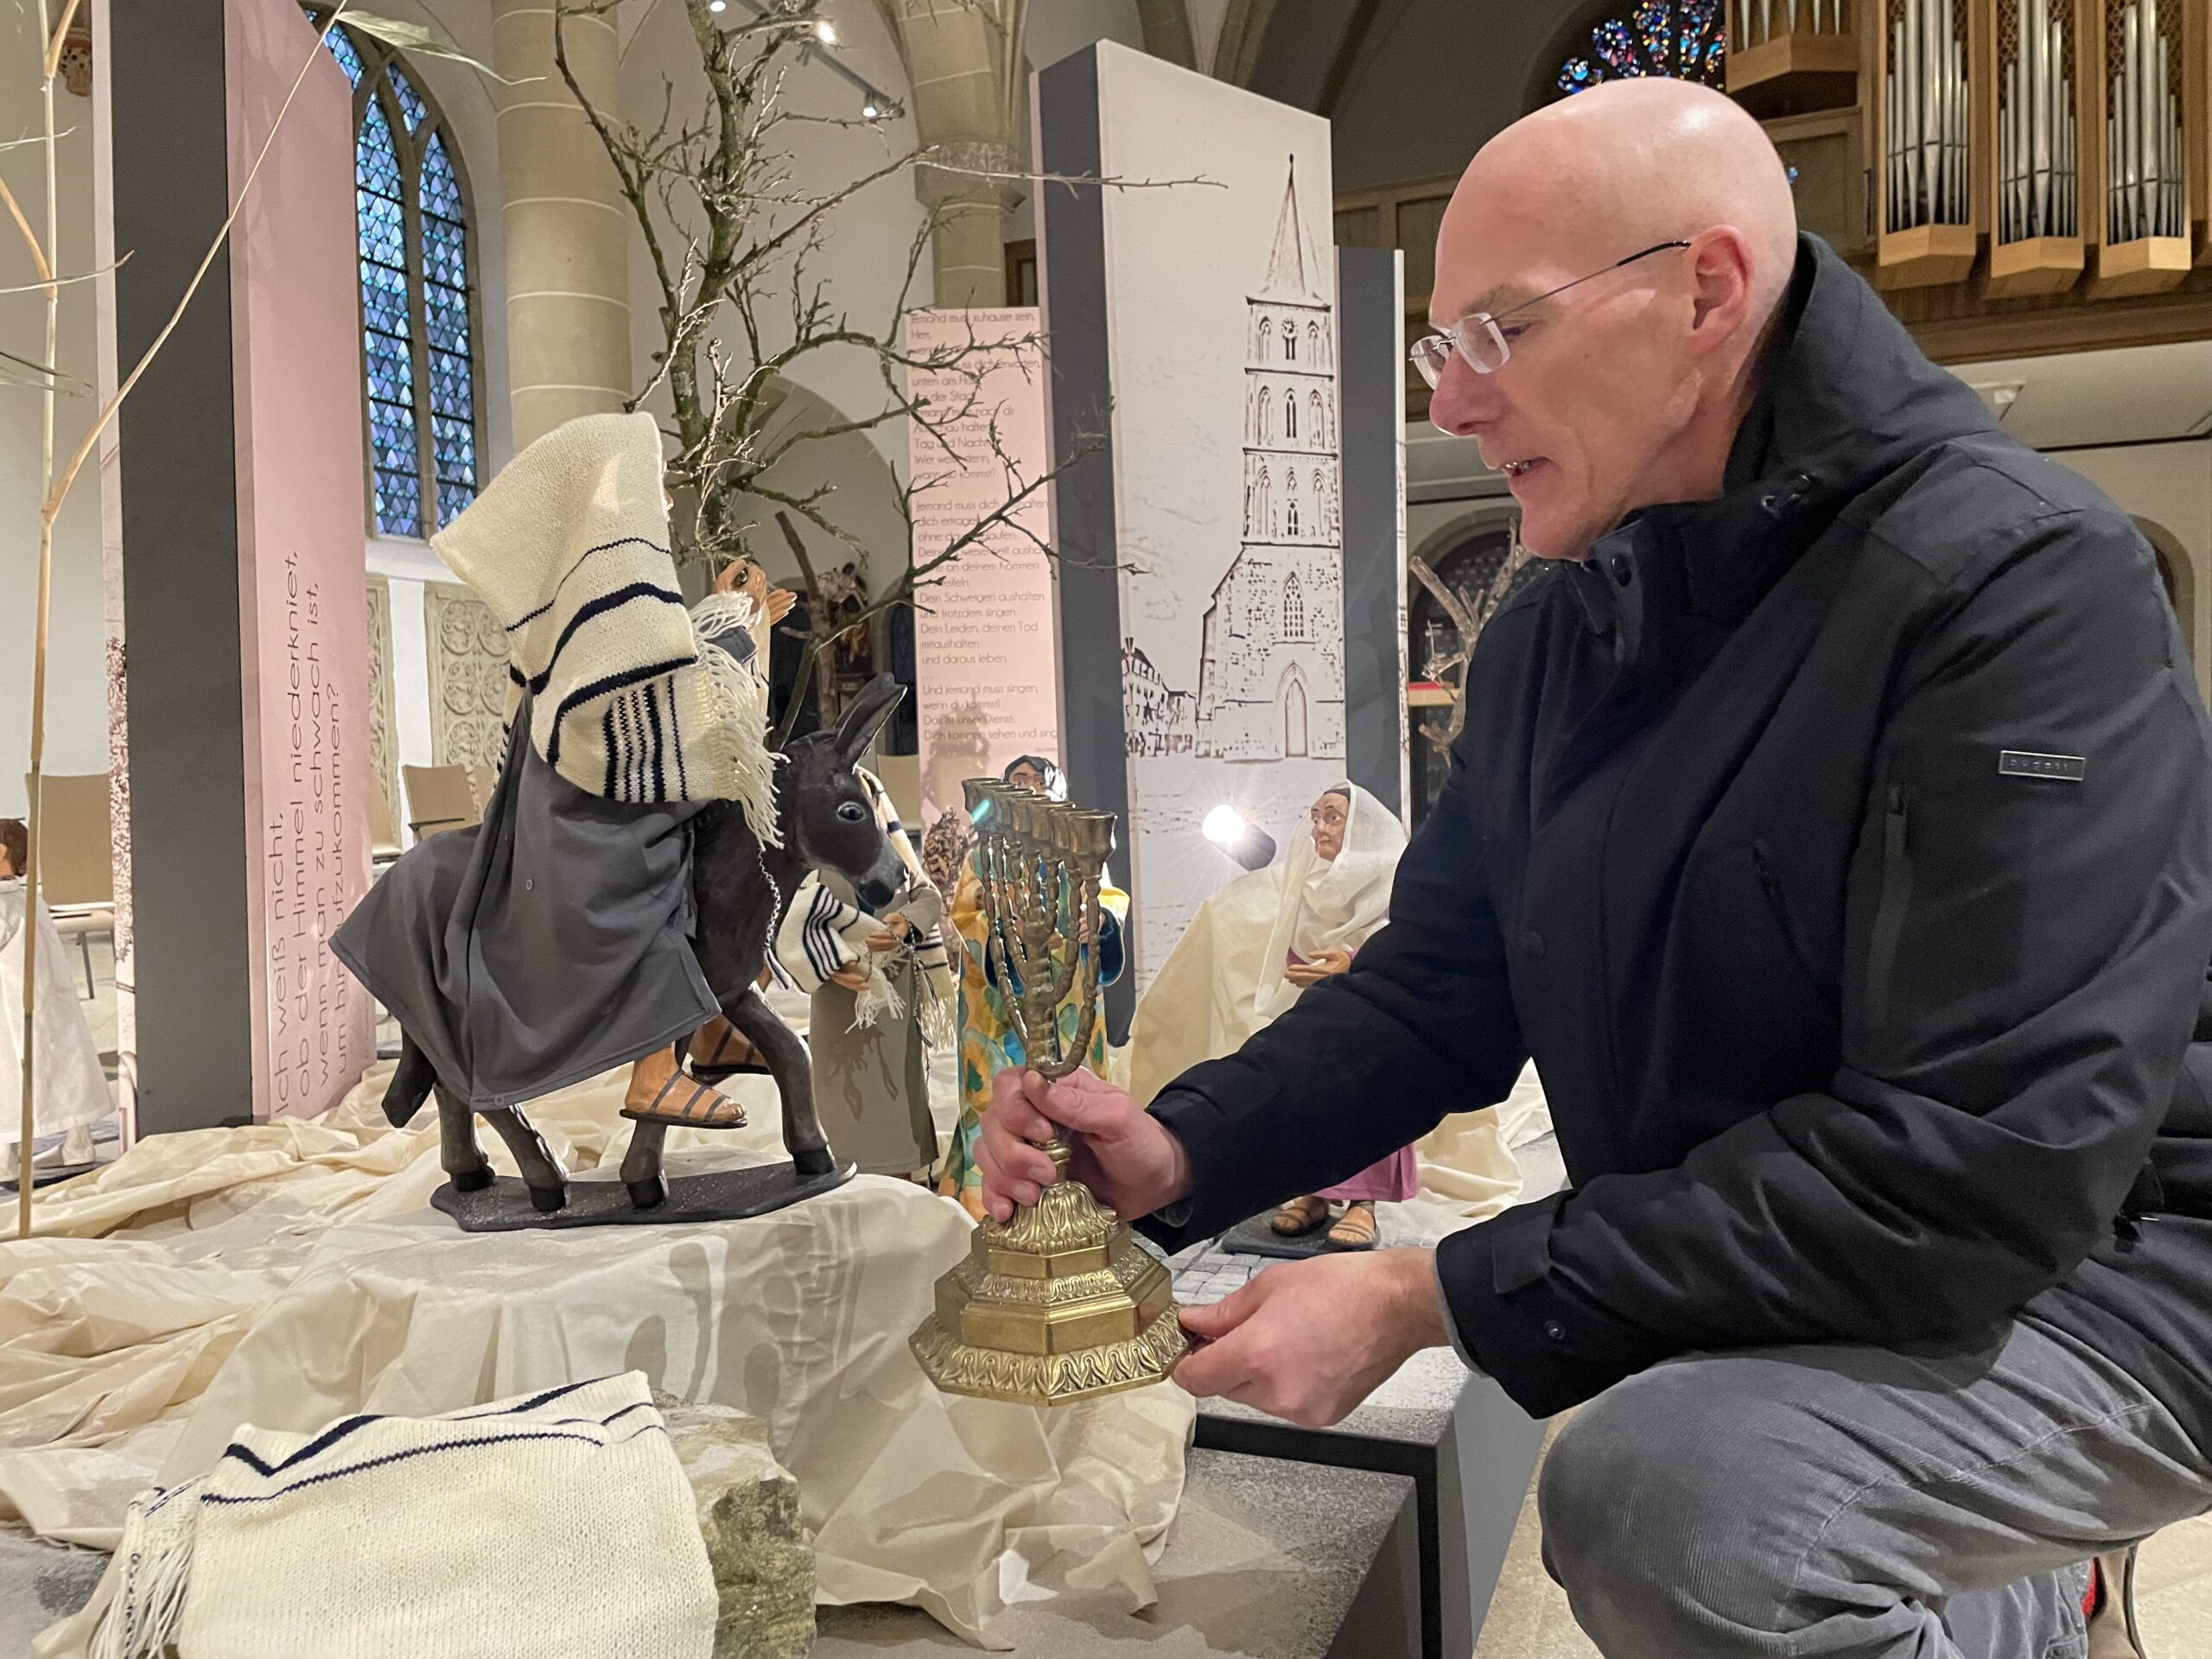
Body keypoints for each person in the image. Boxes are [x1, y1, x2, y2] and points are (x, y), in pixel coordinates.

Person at [979, 79, 2212, 1659]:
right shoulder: (1556, 631)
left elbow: (1977, 1171)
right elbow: (1439, 994)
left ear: (1706, 293)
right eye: (1440, 349)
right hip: (1847, 1258)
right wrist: (1180, 1147)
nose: (1450, 404)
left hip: (2102, 1271)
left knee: (1673, 1503)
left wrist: (1432, 1297)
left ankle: (2023, 1590)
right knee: (1679, 1468)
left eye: (1500, 333)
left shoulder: (2019, 587)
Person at [1128, 785, 1421, 1249]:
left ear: (1360, 826)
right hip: (1318, 1011)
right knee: (1314, 1093)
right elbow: (1291, 939)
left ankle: (1363, 1202)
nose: (1319, 828)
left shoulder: (1392, 879)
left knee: (1370, 1092)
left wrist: (1353, 962)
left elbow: (1404, 943)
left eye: (1333, 817)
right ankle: (1314, 1191)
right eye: (1315, 817)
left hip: (1376, 1014)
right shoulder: (1305, 882)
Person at [936, 755, 1128, 1221]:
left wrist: (1100, 922)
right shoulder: (985, 858)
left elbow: (1105, 898)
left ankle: (1080, 1186)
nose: (1030, 790)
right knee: (1000, 1096)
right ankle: (995, 1198)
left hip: (1068, 997)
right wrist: (1007, 935)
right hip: (1000, 1008)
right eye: (1019, 782)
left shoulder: (1077, 854)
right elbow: (968, 913)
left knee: (1071, 1093)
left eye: (1040, 782)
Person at [770, 768, 952, 1180]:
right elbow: (789, 921)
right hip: (841, 1012)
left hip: (894, 1005)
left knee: (899, 1092)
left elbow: (926, 894)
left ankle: (902, 1175)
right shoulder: (814, 864)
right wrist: (830, 958)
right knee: (842, 1096)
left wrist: (907, 922)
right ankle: (840, 1170)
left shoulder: (893, 857)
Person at [0, 817, 109, 1177]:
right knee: (65, 1067)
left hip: (15, 1008)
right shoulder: (30, 901)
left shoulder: (6, 905)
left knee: (11, 1080)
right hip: (49, 1003)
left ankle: (5, 1161)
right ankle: (78, 1144)